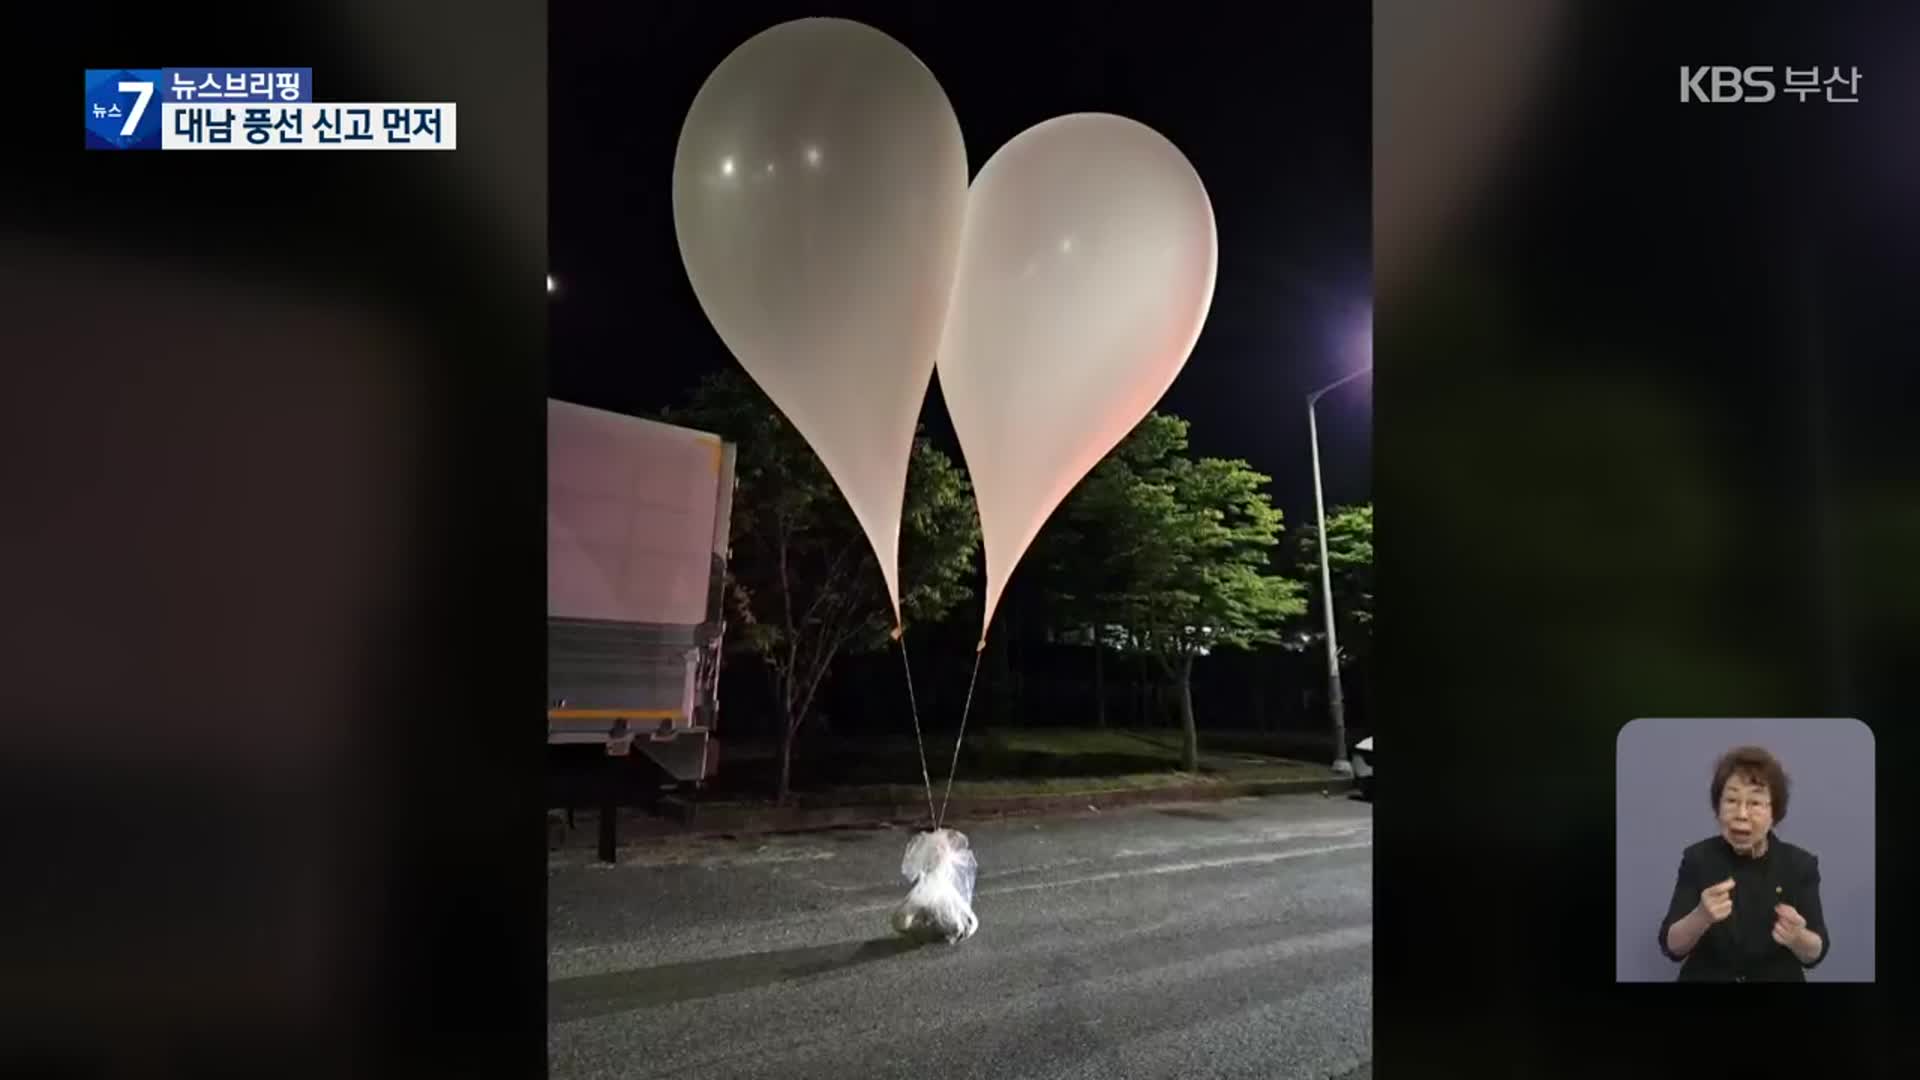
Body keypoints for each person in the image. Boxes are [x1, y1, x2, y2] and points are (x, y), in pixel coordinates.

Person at [1657, 745, 1829, 981]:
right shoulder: (1698, 858)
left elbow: (1816, 952)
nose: (1741, 814)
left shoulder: (1799, 865)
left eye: (1755, 803)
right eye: (1731, 800)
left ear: (1774, 813)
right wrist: (1701, 916)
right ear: (1717, 809)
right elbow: (1672, 947)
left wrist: (1798, 937)